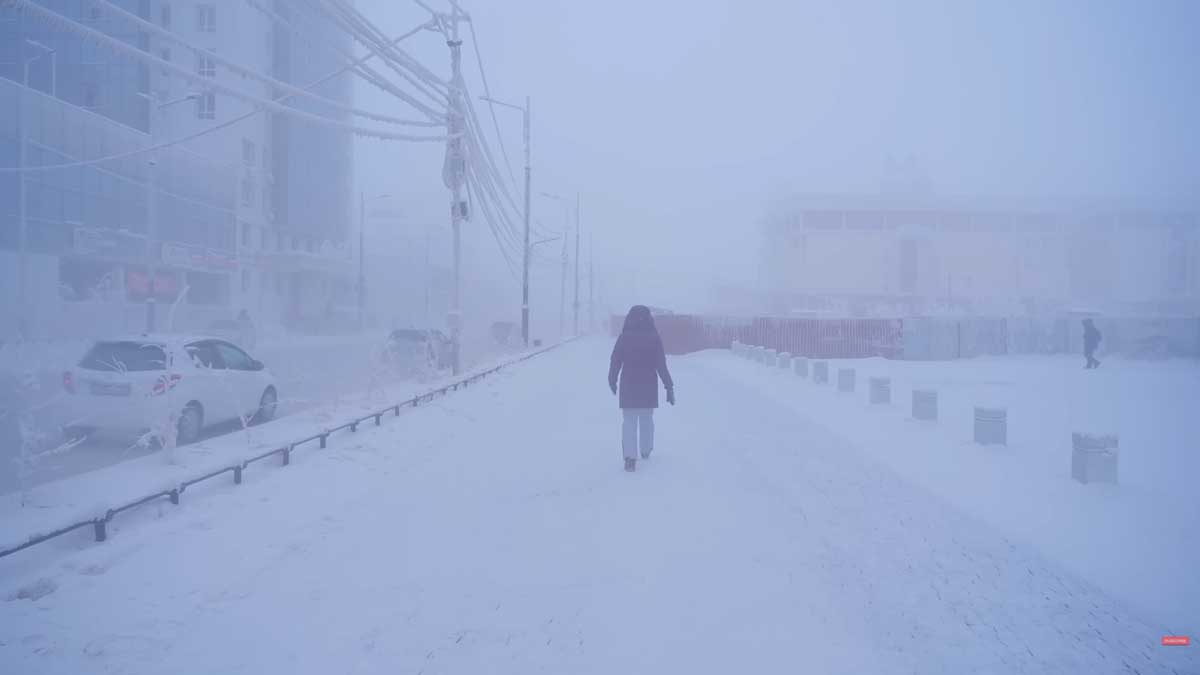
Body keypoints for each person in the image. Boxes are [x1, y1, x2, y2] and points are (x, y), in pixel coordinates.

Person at [608, 305, 675, 472]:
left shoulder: (624, 337)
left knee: (629, 421)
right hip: (648, 386)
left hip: (628, 385)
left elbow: (615, 360)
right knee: (646, 419)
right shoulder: (653, 337)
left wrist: (612, 379)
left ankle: (630, 458)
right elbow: (661, 364)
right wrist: (669, 386)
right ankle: (645, 449)